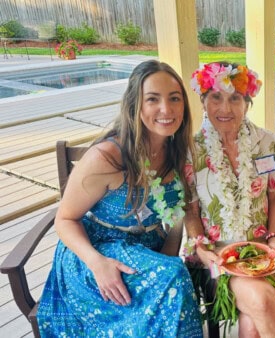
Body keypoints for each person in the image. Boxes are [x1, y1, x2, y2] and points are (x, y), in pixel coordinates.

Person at [36, 60, 203, 337]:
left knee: (171, 277)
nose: (167, 109)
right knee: (173, 279)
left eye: (175, 99)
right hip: (96, 251)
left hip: (148, 250)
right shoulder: (106, 157)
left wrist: (168, 256)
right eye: (153, 99)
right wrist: (97, 263)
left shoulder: (178, 151)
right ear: (134, 105)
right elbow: (65, 219)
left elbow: (177, 215)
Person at [183, 61, 275, 338]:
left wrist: (274, 237)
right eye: (216, 98)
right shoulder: (191, 150)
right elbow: (191, 211)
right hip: (216, 258)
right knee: (260, 301)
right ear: (203, 101)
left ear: (247, 102)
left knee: (252, 322)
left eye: (235, 98)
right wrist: (200, 247)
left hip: (265, 252)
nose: (225, 108)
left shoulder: (266, 142)